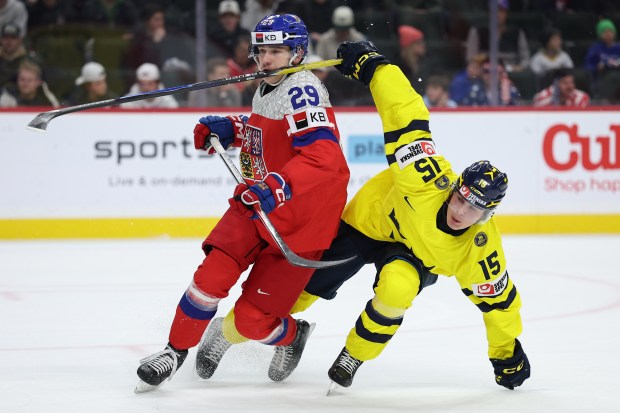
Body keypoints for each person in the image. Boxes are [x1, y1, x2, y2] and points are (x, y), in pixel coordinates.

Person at [289, 40, 530, 392]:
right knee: (308, 284)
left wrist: (506, 353)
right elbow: (405, 110)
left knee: (397, 291)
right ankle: (274, 326)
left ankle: (354, 355)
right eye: (461, 198)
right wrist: (375, 67)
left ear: (488, 214)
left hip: (412, 256)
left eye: (475, 208)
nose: (462, 211)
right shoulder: (424, 176)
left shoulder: (481, 250)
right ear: (455, 188)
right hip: (370, 224)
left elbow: (500, 306)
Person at [135, 13, 349, 392]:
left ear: (298, 53)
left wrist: (278, 185)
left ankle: (293, 335)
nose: (265, 60)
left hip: (301, 219)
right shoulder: (269, 84)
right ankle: (173, 351)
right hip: (256, 203)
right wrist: (233, 130)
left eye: (276, 51)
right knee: (210, 279)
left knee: (253, 322)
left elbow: (324, 158)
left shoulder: (304, 90)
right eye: (261, 51)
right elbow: (269, 133)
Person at [465, 0, 530, 72]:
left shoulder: (517, 33)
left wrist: (519, 68)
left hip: (511, 75)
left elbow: (525, 60)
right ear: (489, 13)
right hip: (485, 76)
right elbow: (471, 59)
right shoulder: (477, 32)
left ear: (506, 13)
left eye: (501, 11)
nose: (497, 14)